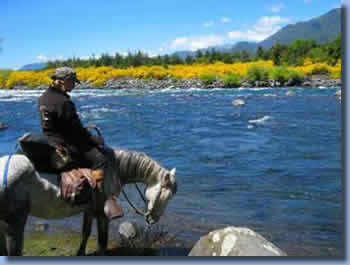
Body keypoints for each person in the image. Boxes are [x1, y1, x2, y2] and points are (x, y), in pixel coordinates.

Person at [38, 66, 122, 219]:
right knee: (101, 160)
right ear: (63, 81)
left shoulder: (44, 97)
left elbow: (62, 125)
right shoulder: (64, 101)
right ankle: (100, 202)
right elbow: (76, 132)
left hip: (50, 141)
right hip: (65, 145)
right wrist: (94, 139)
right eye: (73, 82)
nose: (74, 85)